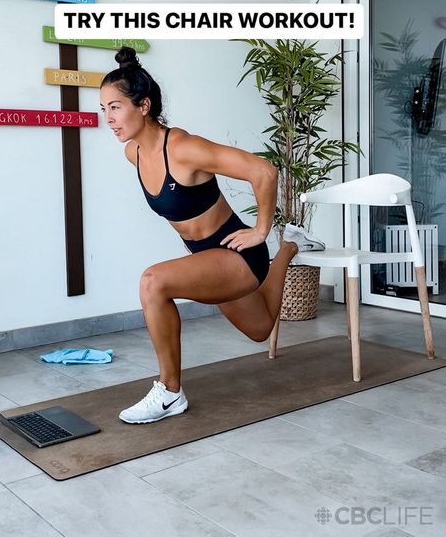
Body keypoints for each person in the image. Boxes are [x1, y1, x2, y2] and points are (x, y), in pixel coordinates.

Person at [99, 47, 324, 424]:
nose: (108, 118)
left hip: (236, 253)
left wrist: (259, 230)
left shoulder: (185, 149)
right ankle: (290, 246)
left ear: (143, 105)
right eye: (103, 109)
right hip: (208, 258)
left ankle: (170, 393)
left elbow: (264, 172)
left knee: (153, 282)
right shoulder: (133, 154)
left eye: (115, 107)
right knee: (260, 329)